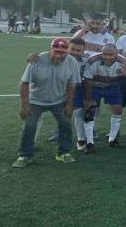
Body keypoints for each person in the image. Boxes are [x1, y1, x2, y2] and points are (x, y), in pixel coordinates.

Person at [12, 38, 82, 168]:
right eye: (56, 51)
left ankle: (63, 153)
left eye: (62, 52)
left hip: (59, 100)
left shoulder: (72, 62)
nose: (59, 55)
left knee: (65, 124)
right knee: (30, 126)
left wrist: (69, 104)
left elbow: (72, 85)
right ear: (50, 49)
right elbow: (24, 83)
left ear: (67, 51)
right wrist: (25, 105)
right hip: (36, 100)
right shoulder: (36, 60)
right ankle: (25, 155)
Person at [83, 44, 126, 148]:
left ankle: (112, 139)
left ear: (117, 54)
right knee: (89, 111)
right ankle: (89, 142)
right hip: (95, 86)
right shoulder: (92, 61)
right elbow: (88, 80)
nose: (107, 57)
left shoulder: (123, 61)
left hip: (112, 86)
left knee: (118, 110)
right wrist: (89, 99)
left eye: (111, 55)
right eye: (105, 54)